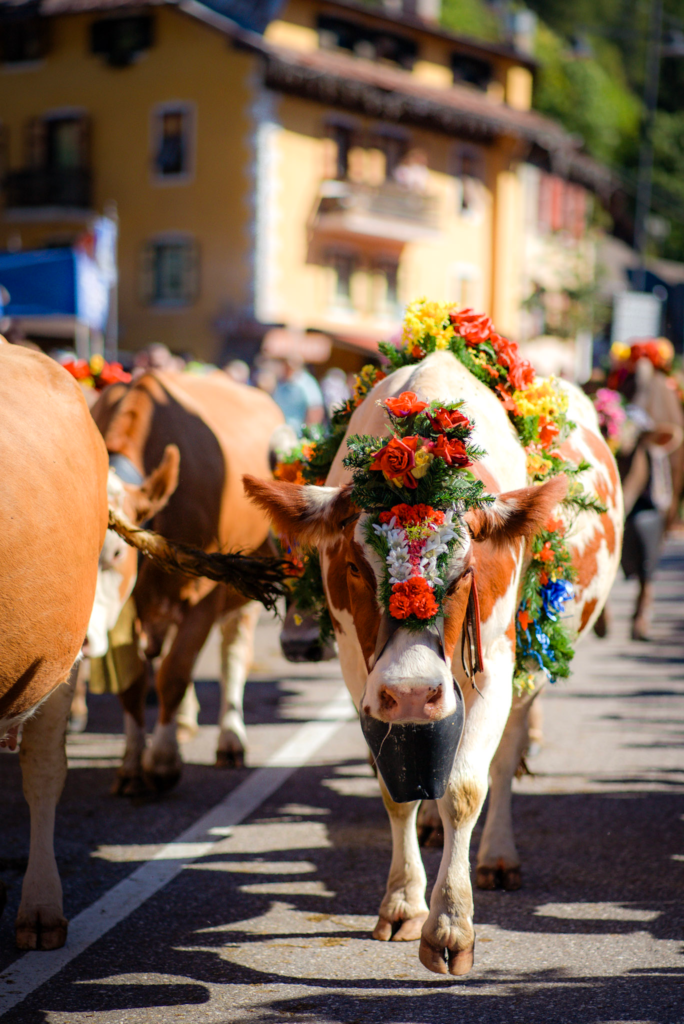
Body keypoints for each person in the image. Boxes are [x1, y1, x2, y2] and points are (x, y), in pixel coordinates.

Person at [272, 356, 324, 435]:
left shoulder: (307, 384)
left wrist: (308, 432)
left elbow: (315, 409)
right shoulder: (282, 382)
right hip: (281, 430)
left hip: (297, 433)